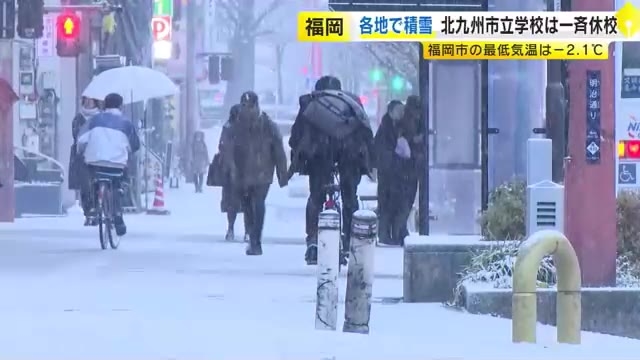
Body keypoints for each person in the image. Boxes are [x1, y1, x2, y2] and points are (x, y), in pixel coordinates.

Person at [289, 75, 374, 265]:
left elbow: (296, 136)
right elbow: (366, 133)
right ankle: (351, 238)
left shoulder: (311, 103)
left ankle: (312, 241)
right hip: (349, 156)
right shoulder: (353, 103)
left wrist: (300, 155)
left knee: (316, 197)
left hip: (320, 156)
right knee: (349, 197)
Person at [220, 91, 288, 255]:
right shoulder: (235, 125)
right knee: (247, 206)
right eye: (244, 106)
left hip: (262, 173)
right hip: (242, 173)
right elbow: (226, 148)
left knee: (258, 203)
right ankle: (252, 236)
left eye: (250, 106)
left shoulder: (268, 125)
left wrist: (282, 174)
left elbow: (278, 150)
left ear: (257, 106)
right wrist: (230, 168)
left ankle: (255, 240)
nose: (247, 109)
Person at [77, 93, 140, 236]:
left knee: (92, 177)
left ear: (104, 105)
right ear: (120, 106)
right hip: (117, 164)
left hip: (95, 163)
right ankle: (117, 213)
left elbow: (81, 140)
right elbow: (135, 145)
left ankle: (93, 206)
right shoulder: (126, 123)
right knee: (118, 183)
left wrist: (84, 151)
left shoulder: (94, 120)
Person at [374, 99, 416, 246]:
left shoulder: (405, 127)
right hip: (388, 175)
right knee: (386, 204)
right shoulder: (385, 129)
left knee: (401, 204)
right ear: (390, 112)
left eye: (402, 110)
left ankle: (399, 232)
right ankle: (385, 234)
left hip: (401, 175)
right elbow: (381, 152)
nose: (401, 113)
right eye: (398, 110)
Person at [220, 104, 251, 242]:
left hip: (233, 172)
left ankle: (232, 229)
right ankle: (246, 232)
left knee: (233, 203)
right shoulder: (248, 128)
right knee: (247, 203)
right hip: (244, 171)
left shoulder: (228, 128)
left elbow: (222, 147)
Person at [68, 97, 100, 225]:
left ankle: (97, 211)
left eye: (91, 100)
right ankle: (88, 213)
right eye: (86, 100)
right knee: (85, 186)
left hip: (97, 154)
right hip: (82, 156)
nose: (88, 102)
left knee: (97, 184)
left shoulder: (100, 118)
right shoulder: (78, 118)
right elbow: (75, 134)